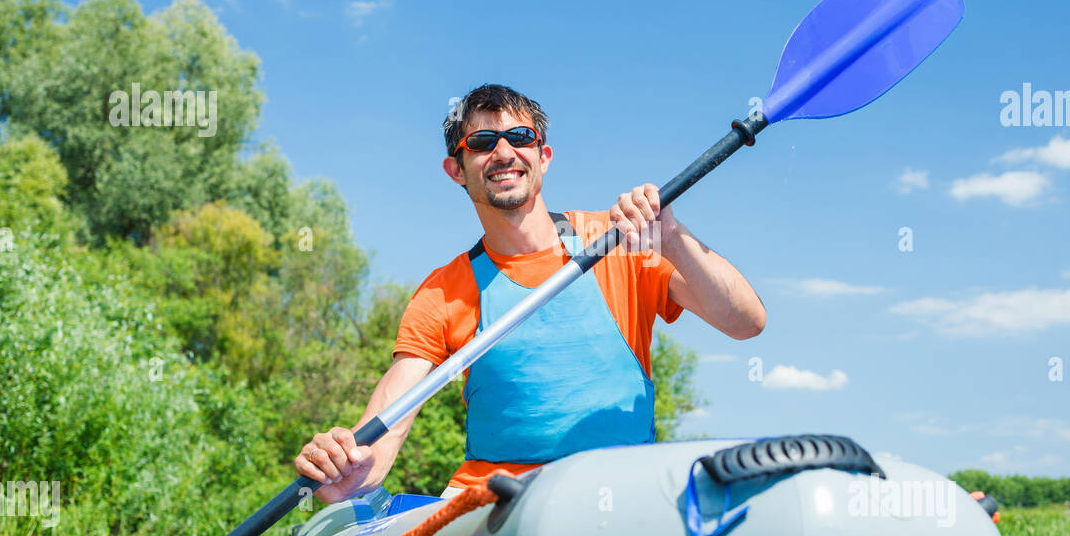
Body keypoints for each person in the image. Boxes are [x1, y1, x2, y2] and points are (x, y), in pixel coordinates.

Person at [293, 84, 766, 503]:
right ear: (456, 170)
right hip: (497, 511)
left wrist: (673, 238)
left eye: (519, 138)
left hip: (621, 498)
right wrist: (345, 467)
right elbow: (384, 432)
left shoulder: (620, 239)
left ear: (544, 156)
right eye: (480, 143)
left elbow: (746, 322)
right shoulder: (441, 292)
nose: (503, 153)